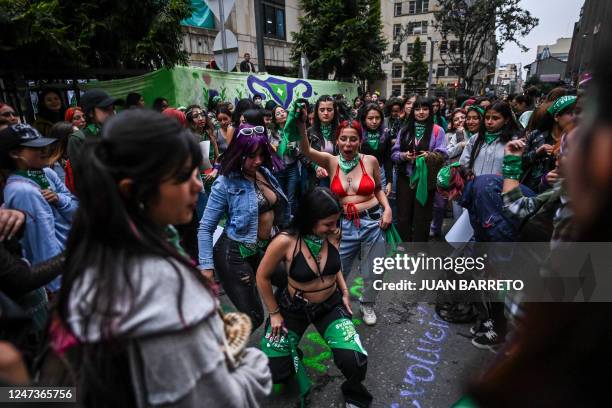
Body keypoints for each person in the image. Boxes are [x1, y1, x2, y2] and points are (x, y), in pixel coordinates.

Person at [56, 109, 271, 407]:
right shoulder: (162, 285)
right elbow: (222, 400)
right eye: (184, 176)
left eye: (197, 173)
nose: (198, 185)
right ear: (133, 191)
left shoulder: (100, 250)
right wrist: (248, 361)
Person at [257, 187, 372, 407]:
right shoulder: (285, 241)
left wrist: (345, 293)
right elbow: (262, 276)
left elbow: (332, 265)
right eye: (328, 224)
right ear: (310, 218)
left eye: (336, 222)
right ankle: (291, 354)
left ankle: (355, 394)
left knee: (355, 360)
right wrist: (274, 314)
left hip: (329, 306)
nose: (334, 228)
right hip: (292, 308)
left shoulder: (332, 233)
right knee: (275, 367)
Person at [298, 116, 392, 326]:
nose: (348, 144)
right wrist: (301, 124)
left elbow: (377, 188)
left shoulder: (370, 161)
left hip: (372, 222)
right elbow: (306, 150)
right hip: (342, 226)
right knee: (336, 268)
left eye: (353, 139)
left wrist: (387, 209)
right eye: (343, 139)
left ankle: (367, 303)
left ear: (360, 141)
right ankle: (337, 303)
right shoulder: (330, 161)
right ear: (337, 140)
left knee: (375, 270)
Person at [198, 124, 289, 330]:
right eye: (251, 156)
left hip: (262, 249)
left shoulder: (263, 172)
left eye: (261, 155)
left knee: (291, 280)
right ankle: (219, 353)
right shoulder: (226, 182)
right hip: (234, 253)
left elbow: (280, 212)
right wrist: (207, 269)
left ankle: (277, 330)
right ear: (239, 153)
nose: (257, 160)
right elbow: (205, 228)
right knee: (253, 317)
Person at [436, 163, 534, 351]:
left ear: (455, 186)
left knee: (501, 285)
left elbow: (500, 235)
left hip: (526, 238)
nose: (445, 198)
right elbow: (481, 230)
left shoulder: (482, 192)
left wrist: (495, 267)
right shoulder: (472, 192)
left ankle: (500, 332)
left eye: (445, 192)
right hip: (511, 238)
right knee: (490, 281)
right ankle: (497, 322)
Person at [1, 124, 77, 294]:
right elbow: (43, 244)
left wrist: (59, 199)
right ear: (15, 154)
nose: (44, 150)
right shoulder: (23, 191)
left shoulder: (46, 173)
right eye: (35, 147)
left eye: (43, 144)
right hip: (62, 274)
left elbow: (76, 209)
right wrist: (60, 288)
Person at [391, 96, 447, 242]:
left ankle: (420, 249)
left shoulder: (437, 130)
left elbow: (443, 154)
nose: (421, 112)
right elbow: (394, 154)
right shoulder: (404, 130)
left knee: (422, 216)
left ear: (431, 111)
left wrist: (429, 156)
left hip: (426, 180)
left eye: (425, 109)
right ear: (413, 111)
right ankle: (404, 246)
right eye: (417, 109)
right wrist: (404, 156)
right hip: (405, 178)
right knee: (403, 215)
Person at [521, 96, 576, 193]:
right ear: (556, 117)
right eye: (571, 113)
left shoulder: (578, 141)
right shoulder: (536, 136)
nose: (575, 118)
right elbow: (520, 163)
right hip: (530, 193)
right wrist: (536, 153)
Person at [67, 89, 121, 173]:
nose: (112, 113)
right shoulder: (78, 139)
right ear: (90, 113)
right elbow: (82, 174)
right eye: (106, 109)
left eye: (113, 108)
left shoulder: (116, 133)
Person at [460, 101, 519, 177]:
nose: (489, 122)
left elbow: (513, 173)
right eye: (487, 118)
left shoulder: (513, 142)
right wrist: (467, 172)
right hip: (475, 186)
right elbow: (463, 164)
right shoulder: (475, 139)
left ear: (506, 120)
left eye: (495, 118)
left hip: (499, 187)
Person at [186, 105, 220, 220]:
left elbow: (217, 157)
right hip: (198, 183)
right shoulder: (188, 138)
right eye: (196, 116)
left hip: (213, 178)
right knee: (205, 217)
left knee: (219, 214)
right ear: (190, 120)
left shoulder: (209, 133)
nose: (201, 118)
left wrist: (215, 170)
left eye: (202, 115)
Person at [270, 105, 300, 217]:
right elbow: (270, 151)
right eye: (278, 113)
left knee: (291, 197)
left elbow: (300, 152)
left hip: (292, 167)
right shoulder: (272, 133)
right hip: (278, 169)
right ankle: (282, 222)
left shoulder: (294, 130)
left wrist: (294, 148)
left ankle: (291, 223)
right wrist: (277, 147)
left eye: (283, 111)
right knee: (281, 196)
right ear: (275, 119)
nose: (282, 114)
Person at [359, 103, 392, 195]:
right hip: (361, 174)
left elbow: (388, 159)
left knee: (382, 205)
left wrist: (389, 182)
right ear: (364, 119)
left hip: (381, 175)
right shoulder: (358, 134)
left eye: (377, 118)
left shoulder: (385, 134)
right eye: (370, 118)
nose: (374, 121)